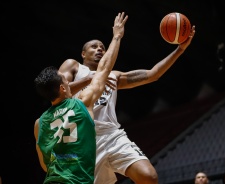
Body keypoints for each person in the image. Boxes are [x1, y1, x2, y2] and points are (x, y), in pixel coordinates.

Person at [59, 23, 196, 184]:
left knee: (149, 177)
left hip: (112, 136)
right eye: (94, 47)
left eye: (102, 47)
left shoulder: (113, 76)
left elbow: (153, 74)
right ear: (83, 53)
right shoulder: (73, 66)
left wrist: (180, 49)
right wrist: (90, 79)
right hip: (83, 140)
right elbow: (59, 91)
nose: (99, 49)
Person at [33, 12, 128, 184]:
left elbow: (45, 165)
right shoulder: (80, 104)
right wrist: (117, 36)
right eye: (66, 82)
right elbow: (104, 69)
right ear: (63, 87)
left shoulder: (40, 123)